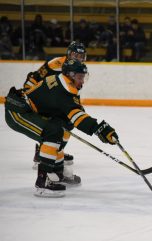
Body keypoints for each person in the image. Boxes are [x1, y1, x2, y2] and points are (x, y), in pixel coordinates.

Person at [4, 59, 119, 197]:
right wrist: (99, 129)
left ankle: (57, 172)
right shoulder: (64, 90)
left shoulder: (63, 82)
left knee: (65, 125)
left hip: (28, 109)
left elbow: (74, 112)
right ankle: (44, 180)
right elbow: (77, 115)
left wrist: (98, 126)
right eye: (79, 77)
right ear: (70, 75)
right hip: (18, 111)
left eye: (84, 77)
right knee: (52, 131)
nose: (82, 81)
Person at [23, 41, 87, 169]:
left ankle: (57, 150)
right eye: (76, 55)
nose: (79, 59)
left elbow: (72, 90)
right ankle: (42, 152)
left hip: (55, 98)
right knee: (52, 125)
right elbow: (35, 78)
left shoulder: (78, 68)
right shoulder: (56, 63)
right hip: (42, 99)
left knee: (68, 121)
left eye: (81, 56)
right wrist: (28, 95)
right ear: (69, 54)